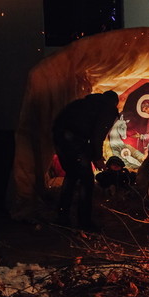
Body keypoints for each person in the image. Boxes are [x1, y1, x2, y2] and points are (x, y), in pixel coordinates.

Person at [52, 90, 119, 230]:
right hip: (73, 141)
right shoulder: (108, 109)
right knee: (86, 181)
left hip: (61, 139)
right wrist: (98, 157)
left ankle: (62, 217)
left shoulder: (84, 103)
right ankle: (84, 222)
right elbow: (97, 135)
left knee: (71, 175)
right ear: (115, 103)